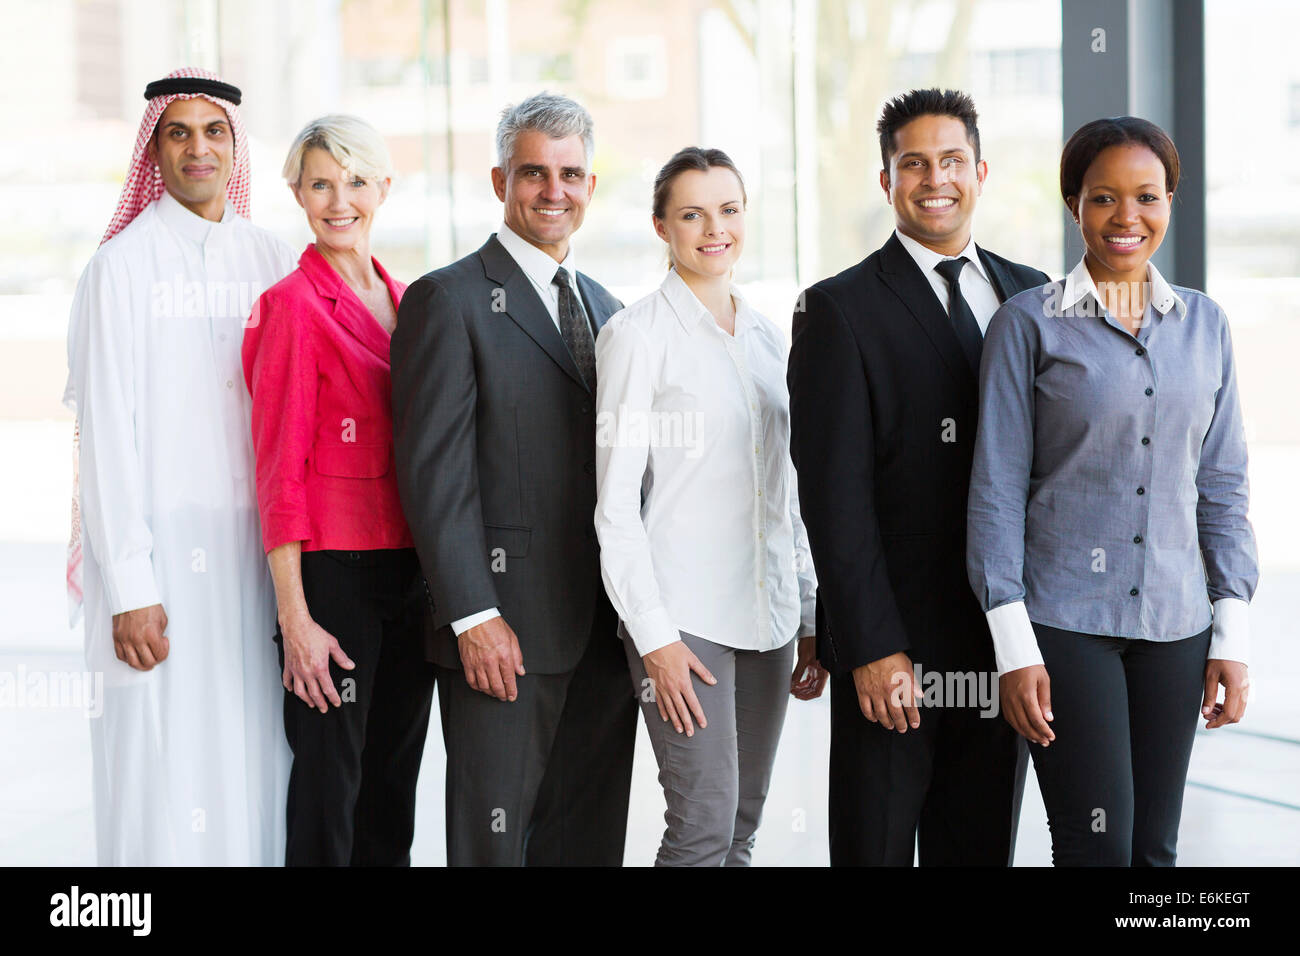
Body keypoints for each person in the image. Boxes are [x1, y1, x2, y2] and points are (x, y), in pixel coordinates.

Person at [967, 117, 1258, 866]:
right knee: (1098, 847)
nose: (1127, 218)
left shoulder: (1207, 325)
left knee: (1154, 852)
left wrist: (1233, 634)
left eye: (1147, 197)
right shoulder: (1026, 325)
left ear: (1170, 203)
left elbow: (1222, 487)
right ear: (1075, 206)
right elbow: (996, 491)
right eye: (1104, 198)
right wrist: (1012, 646)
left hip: (1177, 620)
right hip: (1064, 622)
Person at [787, 88, 1048, 866]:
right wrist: (869, 646)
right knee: (875, 847)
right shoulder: (838, 309)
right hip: (896, 648)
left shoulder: (1033, 294)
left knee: (978, 849)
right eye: (913, 164)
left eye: (951, 161)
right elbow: (832, 498)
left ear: (980, 170)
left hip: (1005, 643)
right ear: (886, 181)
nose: (935, 179)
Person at [391, 91, 638, 866]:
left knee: (587, 841)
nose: (553, 191)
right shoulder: (448, 299)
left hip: (607, 629)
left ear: (591, 186)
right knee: (492, 845)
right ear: (500, 181)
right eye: (534, 173)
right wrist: (472, 615)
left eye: (570, 174)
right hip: (504, 631)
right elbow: (435, 474)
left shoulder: (610, 310)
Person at [63, 68, 296, 865]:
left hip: (262, 559)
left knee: (256, 753)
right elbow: (106, 440)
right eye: (179, 132)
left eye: (215, 131)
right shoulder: (118, 271)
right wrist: (131, 586)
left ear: (236, 147)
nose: (199, 148)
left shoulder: (273, 258)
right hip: (157, 557)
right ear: (154, 150)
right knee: (160, 761)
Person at [594, 148, 826, 867]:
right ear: (662, 225)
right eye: (692, 213)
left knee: (742, 825)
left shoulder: (764, 336)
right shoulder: (637, 337)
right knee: (702, 824)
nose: (713, 228)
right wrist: (656, 639)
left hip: (768, 613)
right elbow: (614, 507)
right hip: (684, 619)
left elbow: (781, 492)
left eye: (728, 210)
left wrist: (810, 611)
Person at [242, 115, 434, 866]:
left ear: (383, 187)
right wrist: (296, 617)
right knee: (331, 791)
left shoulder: (411, 299)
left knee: (392, 792)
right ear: (296, 192)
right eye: (321, 183)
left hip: (410, 579)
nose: (339, 199)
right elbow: (277, 470)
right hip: (335, 582)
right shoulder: (290, 306)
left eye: (355, 180)